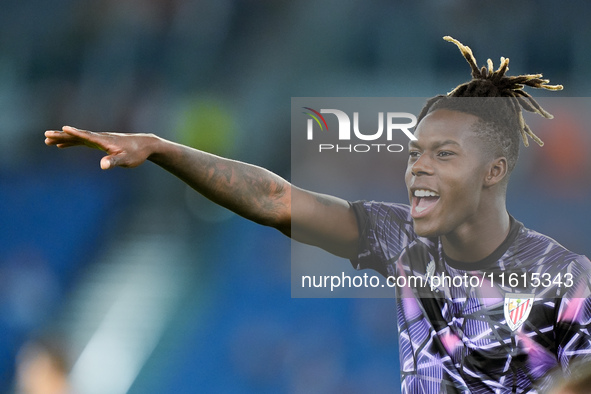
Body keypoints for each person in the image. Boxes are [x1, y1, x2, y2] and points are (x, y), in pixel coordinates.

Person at [44, 37, 591, 393]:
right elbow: (276, 201)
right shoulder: (404, 240)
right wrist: (164, 149)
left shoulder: (566, 281)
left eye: (443, 155)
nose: (417, 170)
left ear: (494, 171)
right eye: (414, 153)